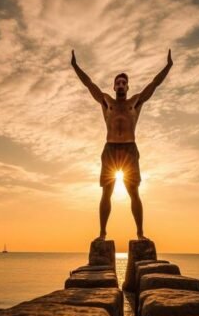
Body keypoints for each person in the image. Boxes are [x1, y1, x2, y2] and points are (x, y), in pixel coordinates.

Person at [71, 49, 173, 241]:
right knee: (106, 193)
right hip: (110, 149)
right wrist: (75, 66)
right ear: (113, 87)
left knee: (134, 193)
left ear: (127, 87)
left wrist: (168, 66)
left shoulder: (135, 102)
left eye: (123, 83)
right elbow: (88, 84)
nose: (120, 85)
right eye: (117, 83)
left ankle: (140, 234)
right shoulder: (106, 101)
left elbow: (155, 84)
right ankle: (102, 234)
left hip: (129, 150)